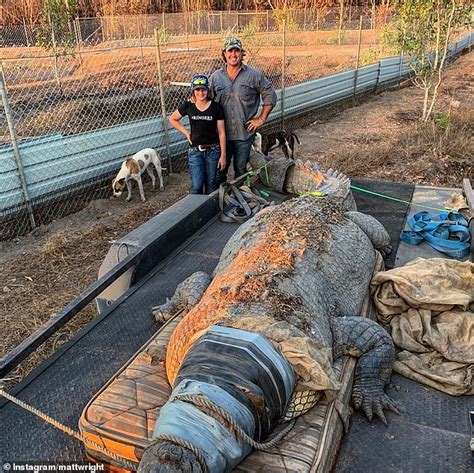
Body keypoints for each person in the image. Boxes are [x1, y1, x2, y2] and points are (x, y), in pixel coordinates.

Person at [209, 37, 277, 185]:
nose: (233, 55)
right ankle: (220, 202)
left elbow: (270, 95)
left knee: (240, 170)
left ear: (242, 53)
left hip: (244, 134)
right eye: (230, 51)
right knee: (220, 170)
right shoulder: (215, 78)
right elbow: (205, 99)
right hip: (222, 135)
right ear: (224, 54)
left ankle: (239, 201)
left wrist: (261, 118)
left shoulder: (254, 75)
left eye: (237, 51)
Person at [169, 74, 226, 194]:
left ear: (208, 90)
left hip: (213, 150)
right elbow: (173, 119)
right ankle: (196, 210)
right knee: (197, 186)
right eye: (197, 90)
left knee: (211, 185)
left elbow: (221, 132)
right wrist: (186, 133)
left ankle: (211, 210)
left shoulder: (216, 107)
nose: (201, 93)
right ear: (193, 91)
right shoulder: (189, 105)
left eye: (203, 89)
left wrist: (223, 156)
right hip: (195, 151)